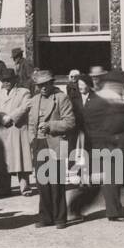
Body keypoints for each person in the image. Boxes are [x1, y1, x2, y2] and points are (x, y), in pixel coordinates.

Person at [77, 70, 124, 222]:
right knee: (111, 179)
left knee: (104, 181)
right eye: (121, 84)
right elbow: (115, 124)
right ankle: (114, 212)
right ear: (114, 84)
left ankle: (77, 207)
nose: (122, 87)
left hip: (100, 144)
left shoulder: (99, 97)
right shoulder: (110, 99)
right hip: (107, 145)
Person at [27, 68, 76, 229]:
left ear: (51, 83)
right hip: (39, 144)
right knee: (42, 183)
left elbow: (70, 122)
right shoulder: (34, 100)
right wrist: (31, 140)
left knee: (57, 183)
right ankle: (45, 217)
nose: (43, 87)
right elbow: (30, 124)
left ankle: (60, 218)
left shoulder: (61, 98)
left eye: (45, 84)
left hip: (57, 143)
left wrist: (50, 126)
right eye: (39, 85)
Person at [0, 67, 32, 196]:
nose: (6, 83)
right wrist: (0, 118)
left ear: (14, 80)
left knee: (20, 159)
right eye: (4, 80)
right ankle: (3, 188)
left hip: (16, 129)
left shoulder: (24, 92)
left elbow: (26, 106)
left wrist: (11, 117)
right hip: (2, 130)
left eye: (9, 80)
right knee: (3, 160)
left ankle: (25, 187)